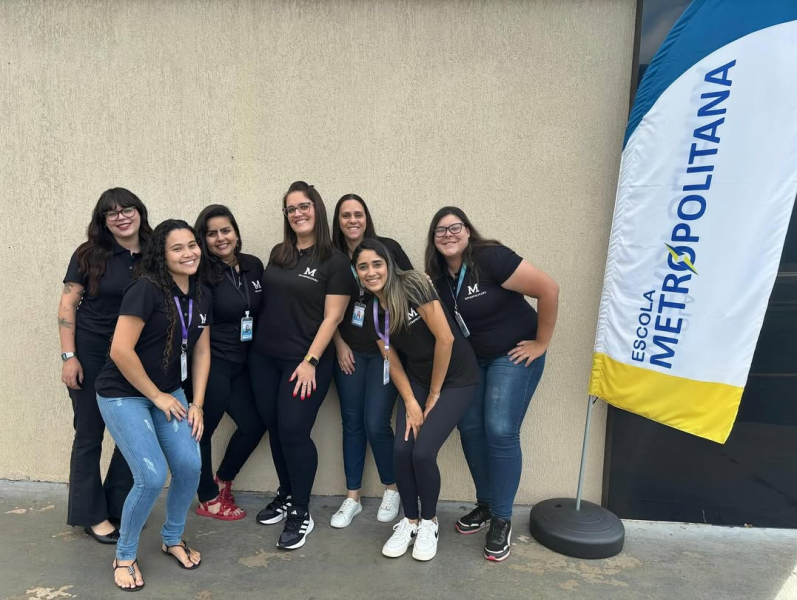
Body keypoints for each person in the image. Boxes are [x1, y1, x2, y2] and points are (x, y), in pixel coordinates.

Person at [425, 206, 559, 562]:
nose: (448, 235)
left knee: (500, 430)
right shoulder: (438, 278)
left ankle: (502, 518)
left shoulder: (491, 258)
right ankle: (486, 504)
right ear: (433, 240)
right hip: (476, 360)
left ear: (468, 231)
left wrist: (541, 343)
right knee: (469, 426)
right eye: (440, 231)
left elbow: (548, 289)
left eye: (455, 227)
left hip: (512, 355)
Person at [95, 220, 211, 591]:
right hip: (124, 393)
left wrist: (197, 403)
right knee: (150, 476)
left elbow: (202, 351)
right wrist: (156, 396)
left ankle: (172, 538)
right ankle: (124, 555)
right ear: (162, 254)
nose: (188, 253)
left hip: (170, 392)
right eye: (177, 248)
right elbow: (120, 350)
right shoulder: (145, 288)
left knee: (190, 466)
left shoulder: (200, 292)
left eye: (192, 244)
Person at [353, 239, 478, 562]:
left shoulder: (412, 285)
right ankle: (409, 521)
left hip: (456, 378)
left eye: (376, 264)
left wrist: (434, 394)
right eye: (363, 267)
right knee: (402, 449)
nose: (371, 272)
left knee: (422, 453)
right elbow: (392, 361)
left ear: (388, 264)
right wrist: (410, 401)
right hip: (419, 380)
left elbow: (445, 338)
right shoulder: (372, 311)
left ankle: (429, 522)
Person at [249, 181, 353, 550]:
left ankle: (301, 510)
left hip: (305, 362)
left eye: (304, 206)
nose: (297, 213)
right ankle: (286, 493)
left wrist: (311, 360)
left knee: (294, 430)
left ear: (317, 209)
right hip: (264, 358)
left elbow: (332, 317)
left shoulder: (335, 262)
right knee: (276, 429)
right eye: (291, 208)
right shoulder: (279, 253)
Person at [59, 188, 152, 544]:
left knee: (133, 431)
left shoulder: (155, 252)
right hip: (93, 351)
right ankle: (92, 516)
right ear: (103, 221)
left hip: (136, 355)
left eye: (127, 209)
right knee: (89, 434)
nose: (121, 217)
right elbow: (67, 306)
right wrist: (69, 357)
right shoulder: (88, 255)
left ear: (139, 211)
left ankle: (118, 505)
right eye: (111, 213)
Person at [329, 193, 413, 528]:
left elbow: (411, 289)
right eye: (345, 215)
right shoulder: (333, 258)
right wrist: (338, 344)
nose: (352, 220)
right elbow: (326, 310)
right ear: (338, 221)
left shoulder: (387, 248)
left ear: (367, 218)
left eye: (358, 214)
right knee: (351, 423)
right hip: (349, 352)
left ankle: (392, 487)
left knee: (376, 422)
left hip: (386, 353)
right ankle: (353, 497)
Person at [192, 205, 266, 520]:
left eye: (226, 230)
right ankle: (207, 498)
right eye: (212, 233)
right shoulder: (201, 274)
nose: (221, 238)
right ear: (203, 239)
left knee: (254, 424)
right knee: (202, 431)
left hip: (243, 363)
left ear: (235, 232)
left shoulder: (253, 265)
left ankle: (223, 480)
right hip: (214, 363)